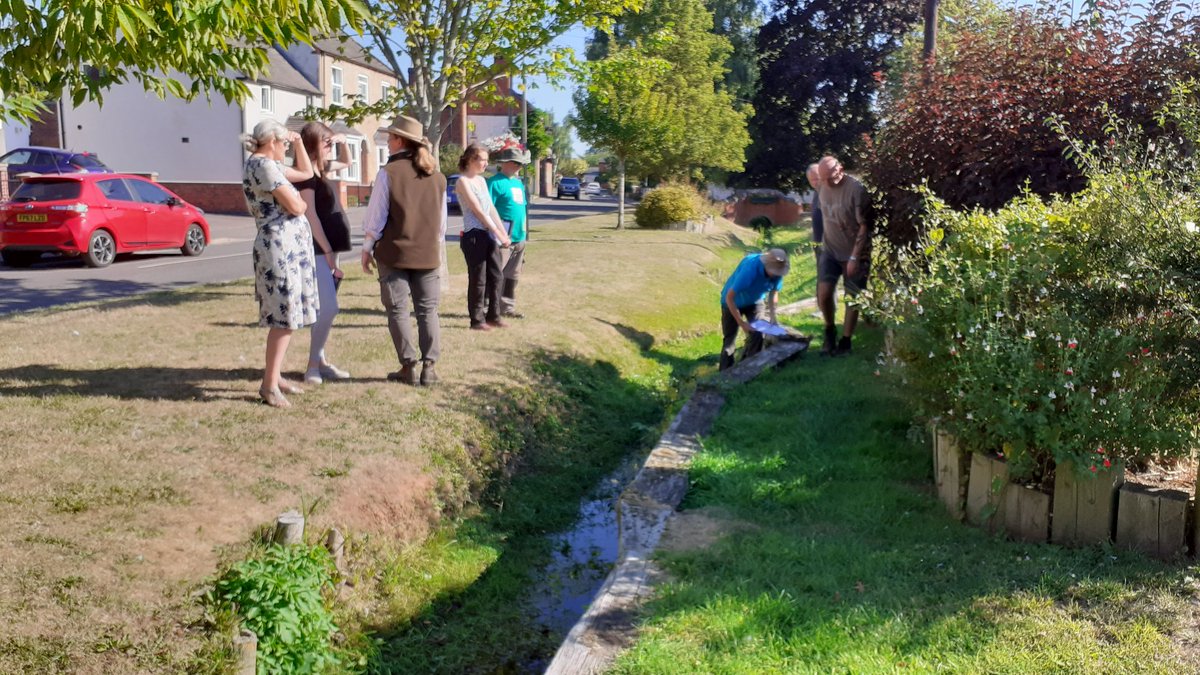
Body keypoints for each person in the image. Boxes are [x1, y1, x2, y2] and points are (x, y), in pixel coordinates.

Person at [361, 116, 447, 386]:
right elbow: (441, 225)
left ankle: (408, 365)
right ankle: (429, 367)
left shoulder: (388, 173)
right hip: (428, 253)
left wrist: (366, 248)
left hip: (394, 252)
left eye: (389, 138)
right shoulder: (438, 177)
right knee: (428, 310)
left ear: (399, 140)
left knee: (398, 309)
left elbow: (376, 218)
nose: (387, 143)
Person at [241, 119, 317, 408]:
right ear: (271, 141)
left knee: (288, 315)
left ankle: (276, 376)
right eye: (284, 142)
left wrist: (299, 144)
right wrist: (298, 201)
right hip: (278, 247)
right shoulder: (264, 166)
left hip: (285, 247)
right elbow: (297, 206)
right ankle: (269, 386)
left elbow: (306, 173)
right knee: (283, 317)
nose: (286, 147)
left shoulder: (265, 164)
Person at [294, 121, 352, 385]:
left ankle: (321, 360)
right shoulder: (306, 175)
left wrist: (342, 142)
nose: (330, 146)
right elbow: (310, 214)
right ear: (312, 144)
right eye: (326, 142)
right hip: (318, 250)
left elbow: (347, 163)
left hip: (330, 250)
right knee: (328, 308)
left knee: (323, 310)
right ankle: (312, 367)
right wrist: (327, 250)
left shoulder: (322, 169)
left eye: (331, 142)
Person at [815, 155, 871, 356]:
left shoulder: (856, 189)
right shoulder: (822, 187)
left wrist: (855, 258)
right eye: (824, 179)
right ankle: (829, 330)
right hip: (830, 250)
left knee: (852, 297)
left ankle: (846, 342)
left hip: (855, 252)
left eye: (830, 177)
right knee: (824, 293)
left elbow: (865, 226)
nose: (828, 182)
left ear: (840, 168)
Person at [455, 143, 512, 330]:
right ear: (471, 159)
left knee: (496, 276)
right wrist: (497, 232)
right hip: (474, 235)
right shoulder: (463, 182)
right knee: (478, 279)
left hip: (488, 235)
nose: (485, 164)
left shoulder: (481, 181)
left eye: (487, 160)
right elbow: (478, 211)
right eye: (482, 160)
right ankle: (477, 319)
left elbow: (491, 208)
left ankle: (494, 315)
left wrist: (503, 233)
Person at [719, 248, 789, 371]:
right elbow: (730, 297)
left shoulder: (778, 273)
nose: (776, 274)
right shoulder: (749, 270)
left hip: (755, 301)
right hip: (732, 302)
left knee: (758, 331)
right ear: (767, 266)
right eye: (774, 271)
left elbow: (774, 293)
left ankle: (749, 368)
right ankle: (724, 374)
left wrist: (773, 317)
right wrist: (741, 323)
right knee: (730, 341)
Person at [488, 146, 530, 318]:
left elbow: (522, 209)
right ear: (508, 163)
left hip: (519, 237)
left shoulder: (518, 184)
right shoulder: (494, 183)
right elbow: (487, 210)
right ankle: (486, 308)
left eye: (521, 163)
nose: (520, 166)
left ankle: (507, 307)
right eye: (517, 163)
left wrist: (525, 235)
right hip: (501, 237)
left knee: (512, 275)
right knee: (494, 274)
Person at [806, 162, 824, 264]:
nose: (815, 182)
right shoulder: (817, 192)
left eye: (817, 178)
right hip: (818, 243)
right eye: (812, 180)